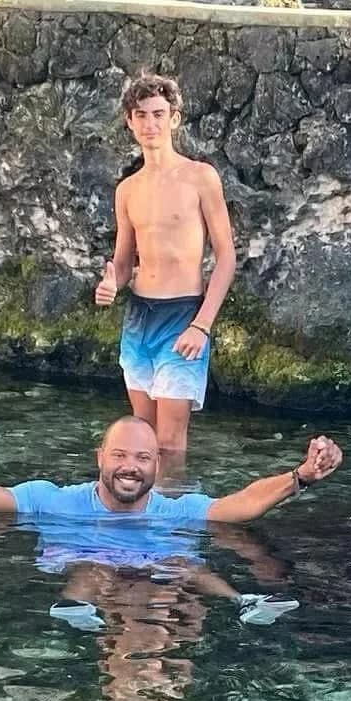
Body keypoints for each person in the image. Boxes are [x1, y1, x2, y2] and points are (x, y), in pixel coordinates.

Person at [94, 73, 236, 462]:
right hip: (139, 316)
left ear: (174, 118)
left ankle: (173, 521)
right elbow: (123, 263)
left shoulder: (200, 177)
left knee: (170, 443)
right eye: (141, 115)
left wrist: (201, 325)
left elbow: (226, 257)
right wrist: (112, 283)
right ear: (130, 121)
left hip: (182, 315)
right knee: (142, 439)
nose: (150, 124)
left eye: (158, 114)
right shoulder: (127, 189)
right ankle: (142, 519)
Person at [0, 412, 342, 524]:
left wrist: (299, 476)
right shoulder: (54, 500)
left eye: (143, 458)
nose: (130, 467)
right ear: (100, 459)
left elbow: (241, 504)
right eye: (121, 456)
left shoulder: (175, 511)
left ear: (157, 465)